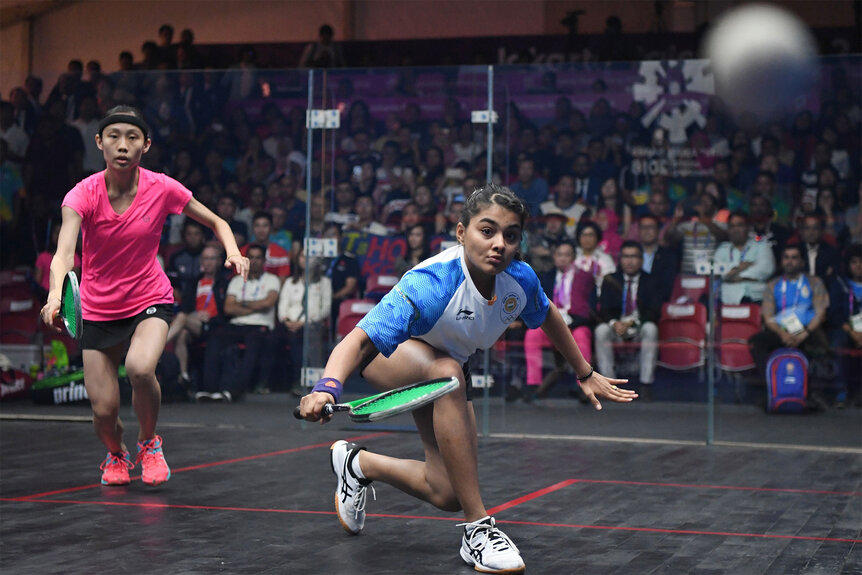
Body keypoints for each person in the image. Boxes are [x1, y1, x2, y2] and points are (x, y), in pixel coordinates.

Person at [297, 184, 636, 574]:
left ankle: (358, 464)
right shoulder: (431, 284)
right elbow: (356, 342)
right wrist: (326, 388)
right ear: (462, 234)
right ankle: (478, 529)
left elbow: (549, 315)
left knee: (447, 491)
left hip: (450, 368)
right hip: (390, 358)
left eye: (510, 235)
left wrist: (585, 373)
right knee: (446, 372)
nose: (499, 244)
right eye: (487, 231)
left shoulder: (519, 279)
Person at [39, 105, 249, 487]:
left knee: (139, 367)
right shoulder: (81, 195)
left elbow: (216, 220)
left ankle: (149, 442)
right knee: (104, 414)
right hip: (97, 309)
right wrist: (56, 295)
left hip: (148, 298)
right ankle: (116, 453)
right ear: (100, 143)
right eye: (114, 136)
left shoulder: (163, 188)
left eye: (132, 137)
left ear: (146, 145)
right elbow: (64, 254)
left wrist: (232, 251)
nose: (123, 145)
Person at [199, 243, 279, 400]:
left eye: (258, 257)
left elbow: (267, 303)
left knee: (253, 343)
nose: (254, 261)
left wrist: (241, 304)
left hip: (259, 326)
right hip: (236, 324)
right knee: (214, 338)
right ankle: (210, 389)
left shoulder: (272, 279)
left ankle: (234, 390)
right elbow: (228, 308)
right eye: (251, 257)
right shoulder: (237, 280)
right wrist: (254, 305)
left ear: (264, 260)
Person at [749, 244, 831, 388]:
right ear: (781, 261)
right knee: (756, 342)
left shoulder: (814, 282)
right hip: (782, 331)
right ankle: (770, 385)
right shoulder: (773, 285)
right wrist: (783, 334)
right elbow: (768, 317)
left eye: (794, 258)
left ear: (801, 262)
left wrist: (804, 334)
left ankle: (809, 392)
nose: (790, 261)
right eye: (786, 258)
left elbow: (820, 314)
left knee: (819, 343)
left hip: (808, 330)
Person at [523, 240, 595, 400]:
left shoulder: (585, 278)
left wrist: (572, 323)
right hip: (551, 323)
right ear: (554, 257)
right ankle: (533, 383)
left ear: (574, 257)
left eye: (567, 254)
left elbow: (589, 308)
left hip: (576, 324)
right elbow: (536, 305)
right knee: (532, 335)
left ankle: (584, 386)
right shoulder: (544, 278)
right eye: (559, 254)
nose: (563, 258)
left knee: (582, 336)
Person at [594, 241, 662, 400]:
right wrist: (614, 323)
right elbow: (604, 308)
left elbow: (654, 311)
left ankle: (646, 384)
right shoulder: (610, 280)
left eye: (633, 257)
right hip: (616, 328)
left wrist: (632, 323)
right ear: (620, 259)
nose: (629, 261)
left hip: (638, 326)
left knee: (651, 329)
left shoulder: (652, 281)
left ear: (641, 260)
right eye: (625, 256)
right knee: (601, 330)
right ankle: (609, 385)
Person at [165, 243, 230, 388]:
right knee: (181, 333)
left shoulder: (224, 283)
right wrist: (196, 314)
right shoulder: (194, 282)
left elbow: (226, 309)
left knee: (181, 318)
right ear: (201, 261)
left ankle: (160, 344)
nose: (208, 262)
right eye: (205, 259)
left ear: (219, 261)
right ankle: (184, 375)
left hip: (214, 325)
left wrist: (211, 317)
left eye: (212, 259)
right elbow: (186, 306)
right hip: (195, 322)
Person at [277, 246, 332, 395]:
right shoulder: (290, 282)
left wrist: (305, 323)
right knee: (291, 340)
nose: (306, 260)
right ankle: (297, 381)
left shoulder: (324, 282)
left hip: (312, 325)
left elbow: (325, 308)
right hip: (289, 324)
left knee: (305, 338)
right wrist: (286, 320)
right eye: (302, 256)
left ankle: (306, 382)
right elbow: (282, 305)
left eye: (309, 256)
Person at [713, 211, 775, 305]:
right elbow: (719, 272)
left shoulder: (762, 246)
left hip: (757, 299)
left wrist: (733, 275)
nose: (735, 229)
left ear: (748, 228)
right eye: (732, 226)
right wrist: (740, 267)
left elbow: (765, 269)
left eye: (740, 225)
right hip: (728, 299)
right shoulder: (722, 250)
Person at [827, 244, 862, 407]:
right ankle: (841, 390)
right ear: (848, 265)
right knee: (838, 342)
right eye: (854, 262)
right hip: (846, 329)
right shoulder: (840, 284)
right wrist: (853, 332)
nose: (858, 266)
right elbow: (835, 314)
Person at [637, 214, 679, 303]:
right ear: (639, 230)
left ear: (658, 230)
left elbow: (668, 285)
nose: (647, 231)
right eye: (643, 227)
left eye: (651, 227)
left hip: (658, 303)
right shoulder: (631, 253)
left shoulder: (668, 256)